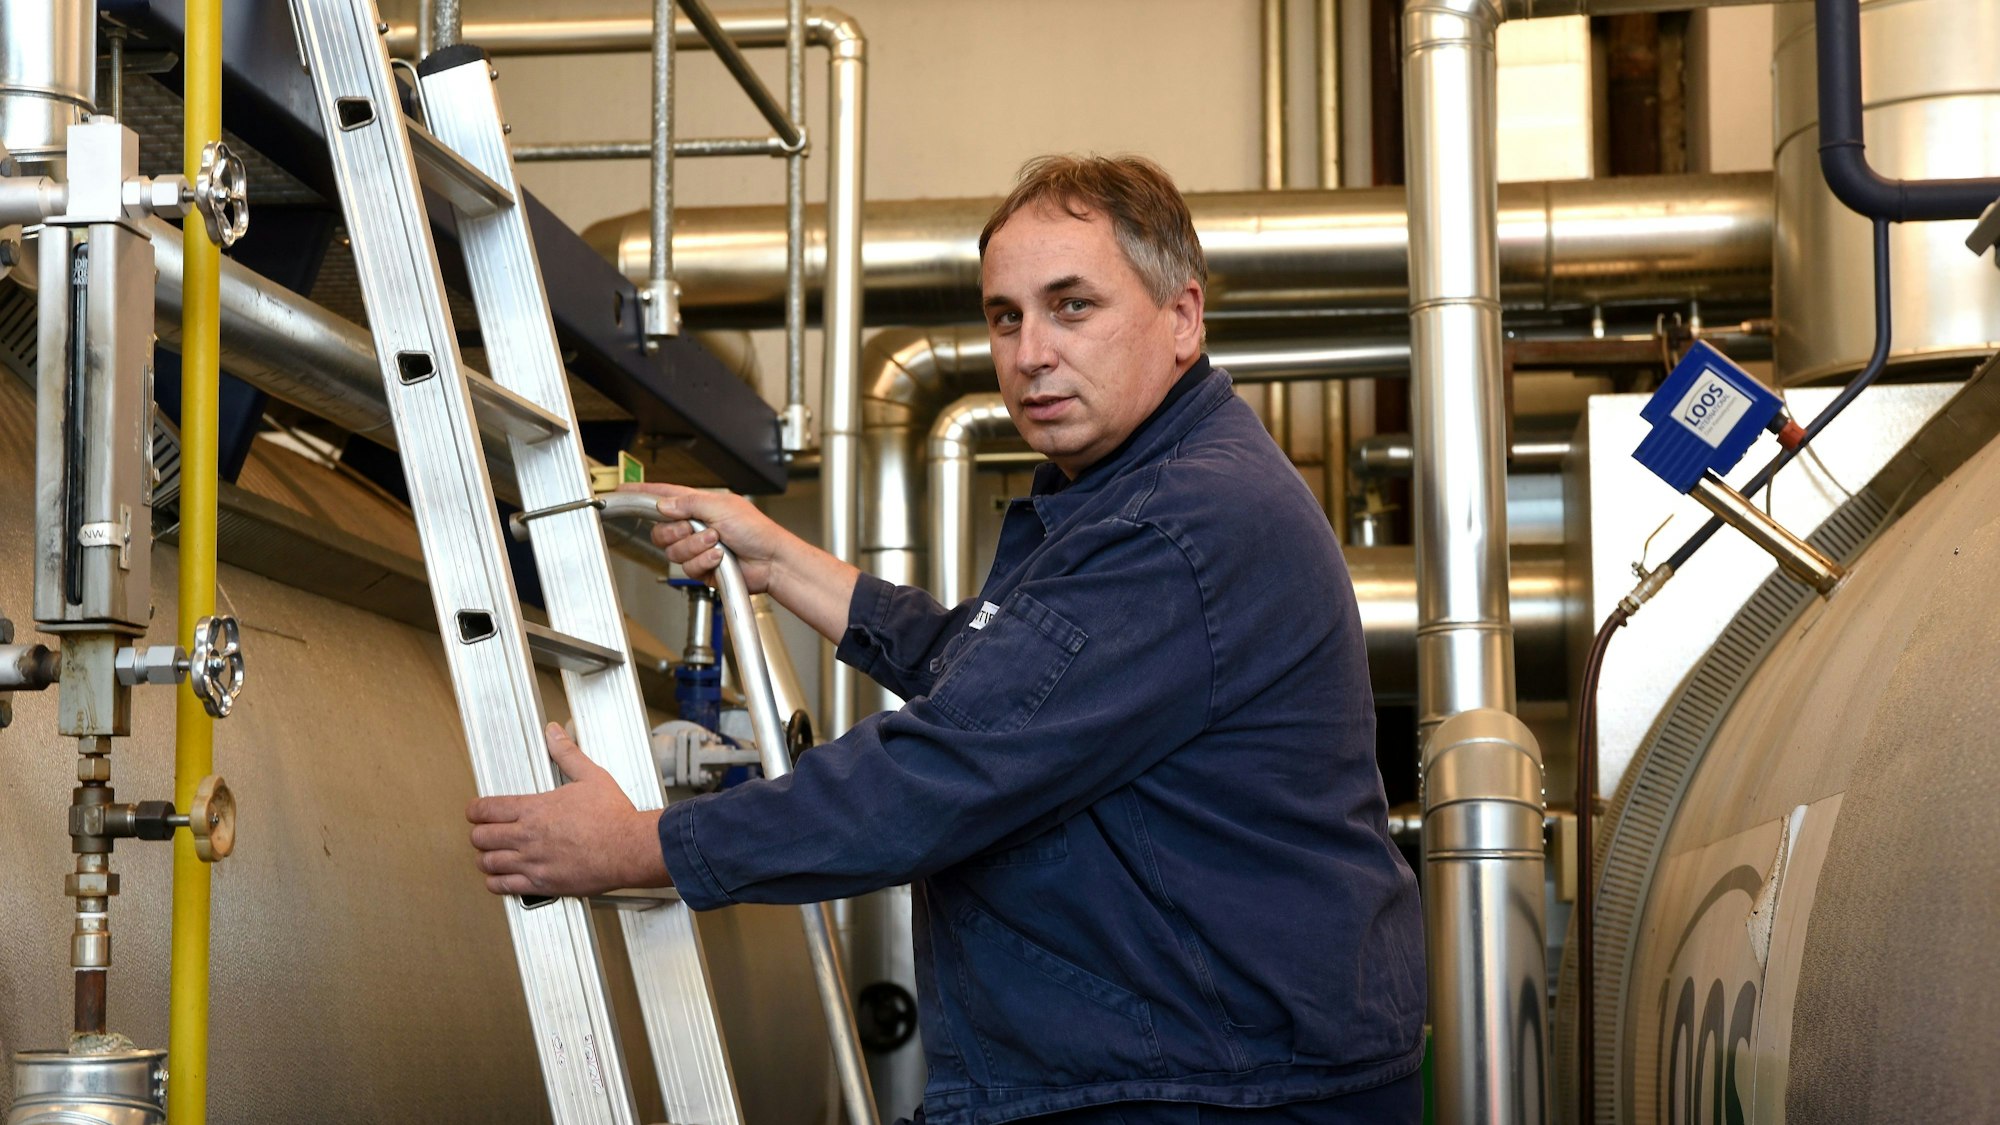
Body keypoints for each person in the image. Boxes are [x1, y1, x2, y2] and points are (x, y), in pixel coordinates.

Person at [469, 155, 1424, 1124]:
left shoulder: (1175, 525)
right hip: (1185, 1062)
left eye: (1071, 306)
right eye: (1005, 316)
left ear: (1181, 316)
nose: (1028, 353)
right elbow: (1009, 681)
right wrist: (780, 561)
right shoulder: (1132, 491)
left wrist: (640, 847)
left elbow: (951, 766)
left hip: (1207, 1088)